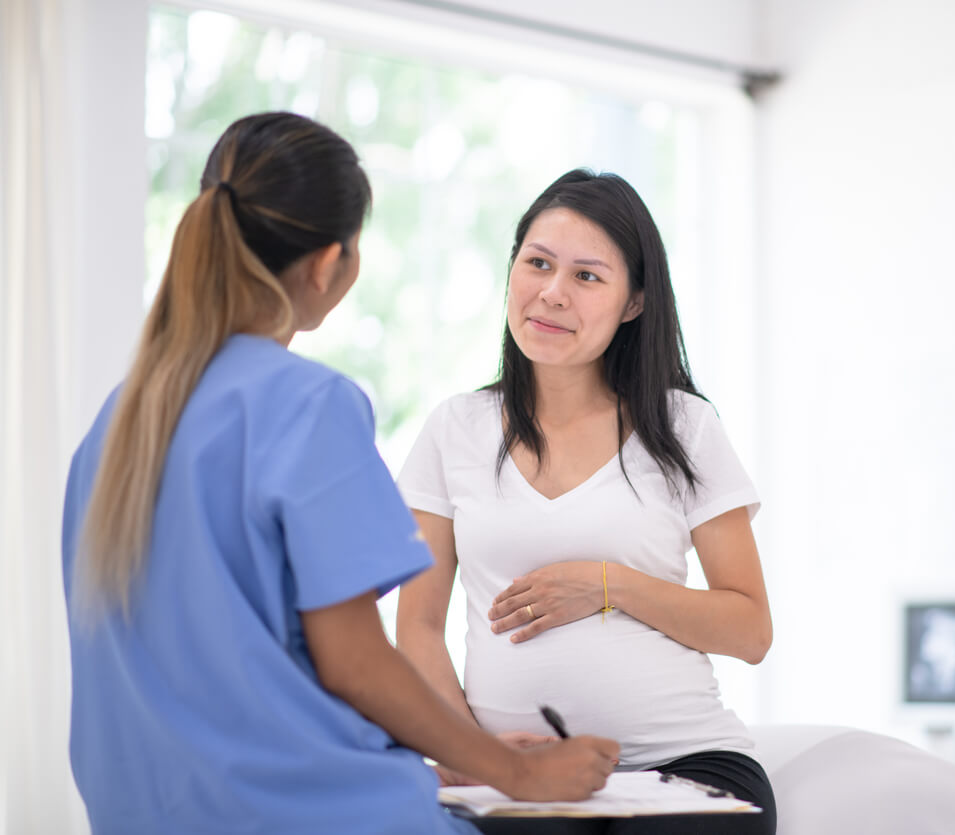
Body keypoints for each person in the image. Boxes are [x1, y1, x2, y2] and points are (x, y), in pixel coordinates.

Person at [61, 113, 617, 835]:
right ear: (330, 264)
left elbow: (230, 677)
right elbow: (352, 661)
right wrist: (516, 771)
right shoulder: (308, 405)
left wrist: (454, 755)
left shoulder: (118, 422)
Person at [395, 169, 776, 834]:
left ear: (633, 303)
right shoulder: (454, 429)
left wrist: (609, 585)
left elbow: (749, 630)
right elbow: (418, 627)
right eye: (537, 263)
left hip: (685, 764)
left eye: (587, 276)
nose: (551, 292)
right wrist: (473, 753)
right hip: (515, 779)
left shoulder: (683, 427)